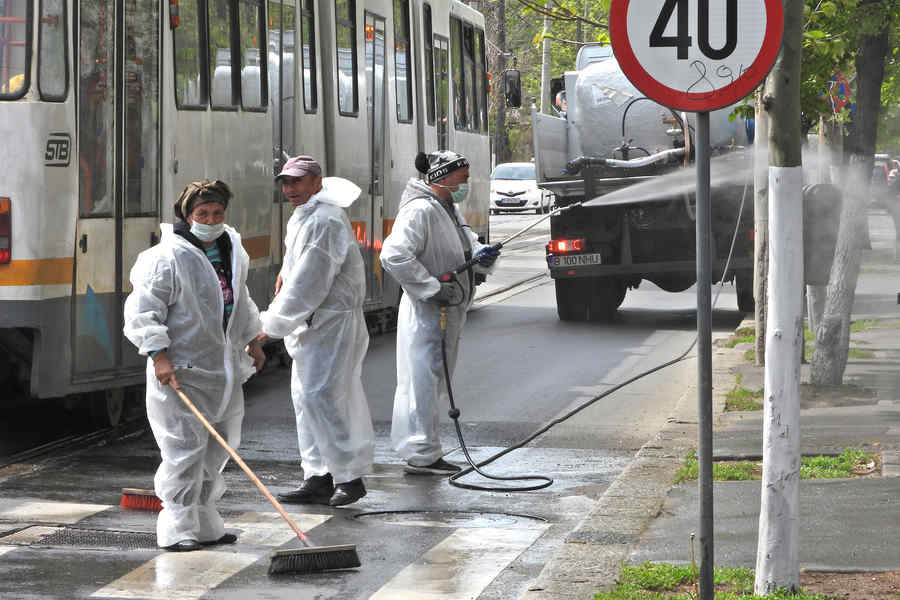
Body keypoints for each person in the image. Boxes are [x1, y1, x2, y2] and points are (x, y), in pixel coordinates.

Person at [123, 179, 266, 552]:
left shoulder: (231, 248)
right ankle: (176, 526)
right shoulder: (165, 258)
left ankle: (204, 522)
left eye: (217, 213)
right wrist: (158, 355)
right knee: (184, 448)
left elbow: (241, 299)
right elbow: (143, 311)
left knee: (216, 448)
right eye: (203, 214)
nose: (211, 219)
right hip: (183, 370)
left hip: (222, 370)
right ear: (187, 215)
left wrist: (253, 339)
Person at [258, 155, 375, 507]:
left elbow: (309, 283)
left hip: (330, 323)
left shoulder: (324, 220)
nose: (290, 189)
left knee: (324, 397)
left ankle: (349, 476)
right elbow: (298, 267)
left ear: (317, 182)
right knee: (306, 398)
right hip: (315, 325)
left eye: (297, 182)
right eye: (286, 182)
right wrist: (283, 272)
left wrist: (271, 326)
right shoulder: (306, 216)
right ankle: (318, 475)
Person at [380, 151, 500, 475]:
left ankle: (425, 449)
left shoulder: (447, 209)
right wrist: (431, 288)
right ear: (443, 178)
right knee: (423, 381)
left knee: (432, 381)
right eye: (462, 178)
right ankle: (422, 453)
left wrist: (482, 255)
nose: (465, 184)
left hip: (446, 313)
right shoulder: (420, 211)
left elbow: (467, 246)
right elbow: (393, 255)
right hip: (427, 313)